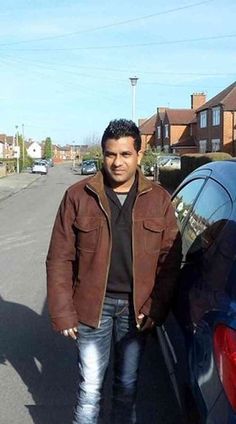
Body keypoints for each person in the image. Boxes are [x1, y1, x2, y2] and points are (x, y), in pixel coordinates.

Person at [46, 119, 182, 424]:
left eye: (125, 154)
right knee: (91, 389)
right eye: (110, 154)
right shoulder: (78, 196)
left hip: (137, 311)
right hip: (93, 307)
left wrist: (156, 308)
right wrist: (63, 311)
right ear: (102, 154)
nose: (117, 162)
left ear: (139, 154)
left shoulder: (159, 200)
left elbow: (169, 261)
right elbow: (59, 257)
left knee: (126, 387)